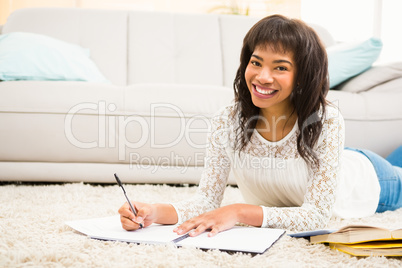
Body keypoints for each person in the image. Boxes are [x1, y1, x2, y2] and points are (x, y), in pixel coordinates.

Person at [118, 14, 402, 237]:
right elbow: (205, 202)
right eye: (256, 62)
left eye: (280, 67)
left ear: (301, 76)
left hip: (371, 178)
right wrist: (154, 213)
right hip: (332, 162)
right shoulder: (227, 120)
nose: (263, 77)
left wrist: (240, 212)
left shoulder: (325, 119)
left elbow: (316, 216)